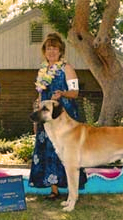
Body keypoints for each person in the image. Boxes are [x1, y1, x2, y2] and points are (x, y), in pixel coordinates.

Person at [29, 32, 87, 200]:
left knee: (68, 151)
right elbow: (40, 97)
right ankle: (54, 190)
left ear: (61, 51)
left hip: (64, 117)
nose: (52, 51)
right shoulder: (42, 71)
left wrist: (63, 93)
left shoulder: (67, 68)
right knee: (48, 150)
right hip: (45, 118)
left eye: (55, 48)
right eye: (48, 48)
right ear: (44, 51)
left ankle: (72, 189)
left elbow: (75, 92)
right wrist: (36, 119)